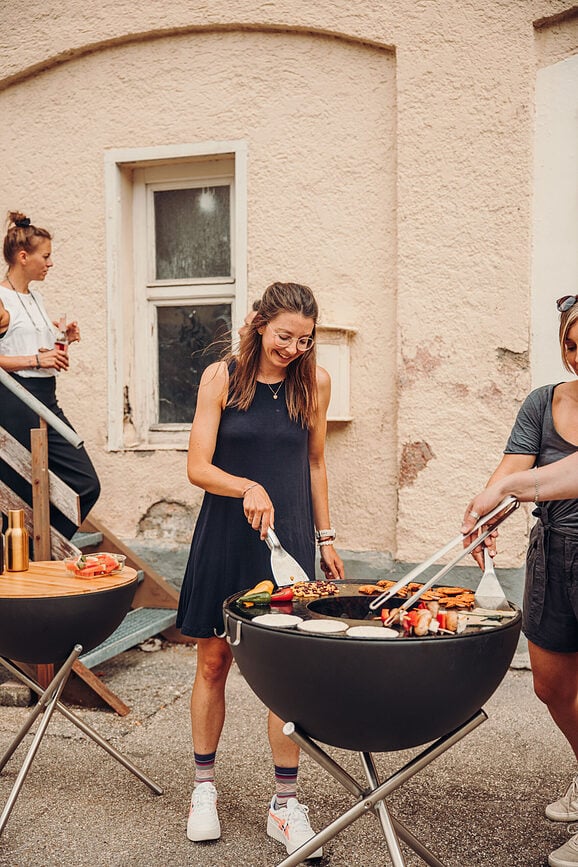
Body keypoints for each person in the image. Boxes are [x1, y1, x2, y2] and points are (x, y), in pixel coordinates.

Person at [176, 281, 344, 857]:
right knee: (214, 662)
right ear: (257, 324)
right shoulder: (222, 378)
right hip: (227, 536)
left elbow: (316, 461)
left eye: (304, 339)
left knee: (284, 672)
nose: (293, 348)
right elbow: (198, 466)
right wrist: (246, 485)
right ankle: (204, 791)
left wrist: (324, 536)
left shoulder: (314, 382)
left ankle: (285, 805)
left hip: (290, 537)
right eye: (283, 336)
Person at [462, 293, 578, 867]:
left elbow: (569, 474)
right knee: (551, 685)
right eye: (573, 344)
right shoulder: (542, 401)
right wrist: (483, 512)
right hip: (551, 555)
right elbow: (512, 471)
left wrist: (509, 491)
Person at [0, 211, 100, 539]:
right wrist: (37, 359)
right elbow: (27, 357)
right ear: (23, 256)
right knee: (17, 495)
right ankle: (25, 563)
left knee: (85, 484)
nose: (51, 263)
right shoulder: (2, 301)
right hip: (15, 401)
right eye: (46, 256)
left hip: (46, 399)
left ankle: (40, 551)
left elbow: (40, 352)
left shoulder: (35, 298)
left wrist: (62, 339)